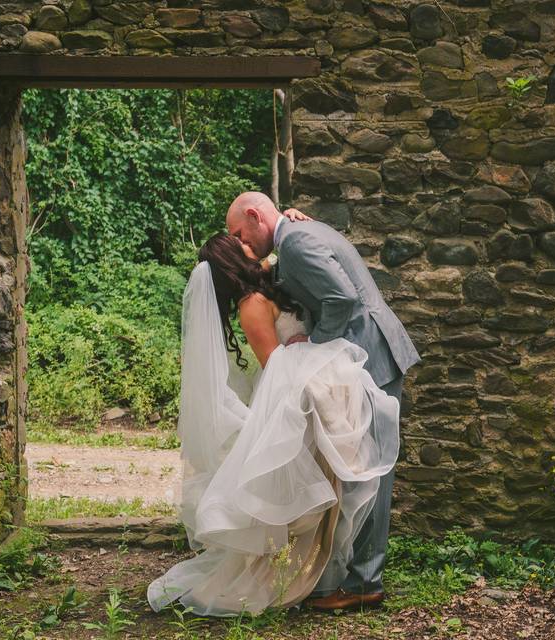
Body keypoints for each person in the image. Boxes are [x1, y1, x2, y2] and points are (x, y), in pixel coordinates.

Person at [146, 233, 399, 616]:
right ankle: (296, 578)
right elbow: (276, 367)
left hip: (319, 396)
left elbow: (287, 247)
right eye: (239, 242)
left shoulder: (269, 283)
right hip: (298, 403)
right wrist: (307, 352)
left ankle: (334, 576)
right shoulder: (251, 306)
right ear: (233, 258)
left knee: (335, 492)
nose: (247, 243)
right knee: (313, 500)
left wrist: (294, 218)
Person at [225, 192, 420, 609]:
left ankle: (366, 581)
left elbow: (341, 299)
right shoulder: (298, 234)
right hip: (370, 352)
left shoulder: (295, 241)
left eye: (241, 234)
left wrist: (313, 345)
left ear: (257, 216)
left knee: (370, 471)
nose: (242, 243)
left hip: (372, 354)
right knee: (360, 469)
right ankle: (355, 573)